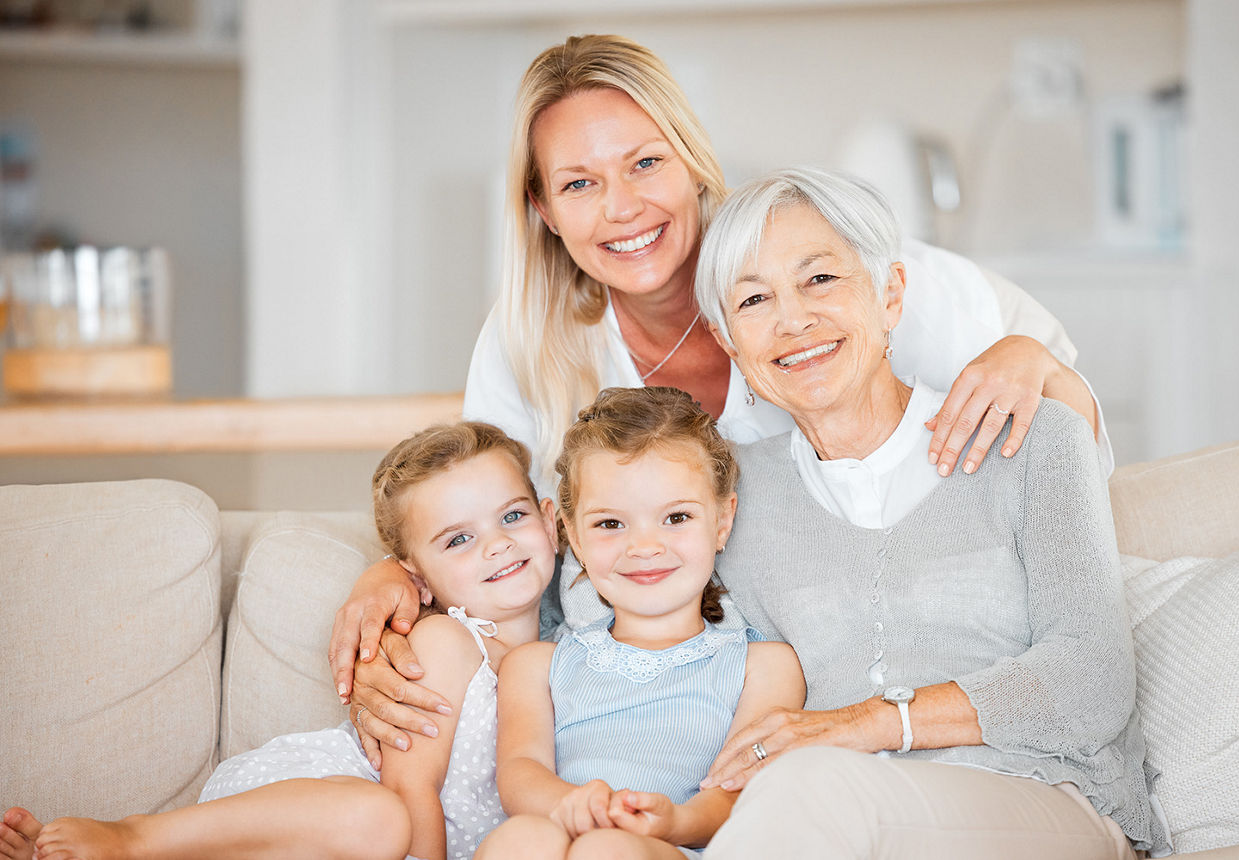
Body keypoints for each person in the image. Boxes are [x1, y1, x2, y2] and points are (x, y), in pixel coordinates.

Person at [329, 33, 1109, 762]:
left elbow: (1071, 456)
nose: (621, 208)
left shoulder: (840, 267)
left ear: (694, 162)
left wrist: (1030, 357)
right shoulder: (527, 341)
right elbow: (480, 520)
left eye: (645, 163)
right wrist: (398, 577)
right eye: (579, 184)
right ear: (545, 211)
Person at [682, 167, 1164, 857]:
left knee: (810, 784)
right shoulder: (730, 495)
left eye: (821, 279)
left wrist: (866, 723)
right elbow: (617, 616)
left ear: (890, 295)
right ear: (729, 339)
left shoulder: (1034, 440)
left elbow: (1092, 679)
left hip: (1044, 800)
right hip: (834, 825)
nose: (793, 320)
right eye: (755, 299)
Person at [0, 422, 560, 860]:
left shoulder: (567, 653)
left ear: (551, 522)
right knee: (379, 818)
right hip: (324, 813)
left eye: (512, 516)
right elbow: (410, 789)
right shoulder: (448, 643)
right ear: (414, 575)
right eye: (459, 539)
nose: (497, 545)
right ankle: (135, 839)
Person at [474, 386, 805, 860]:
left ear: (722, 521)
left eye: (676, 517)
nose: (645, 547)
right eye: (610, 524)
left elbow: (742, 790)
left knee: (607, 850)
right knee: (520, 839)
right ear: (574, 536)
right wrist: (573, 805)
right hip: (560, 829)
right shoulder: (536, 665)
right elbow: (520, 769)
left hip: (678, 845)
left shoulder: (764, 666)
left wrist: (675, 822)